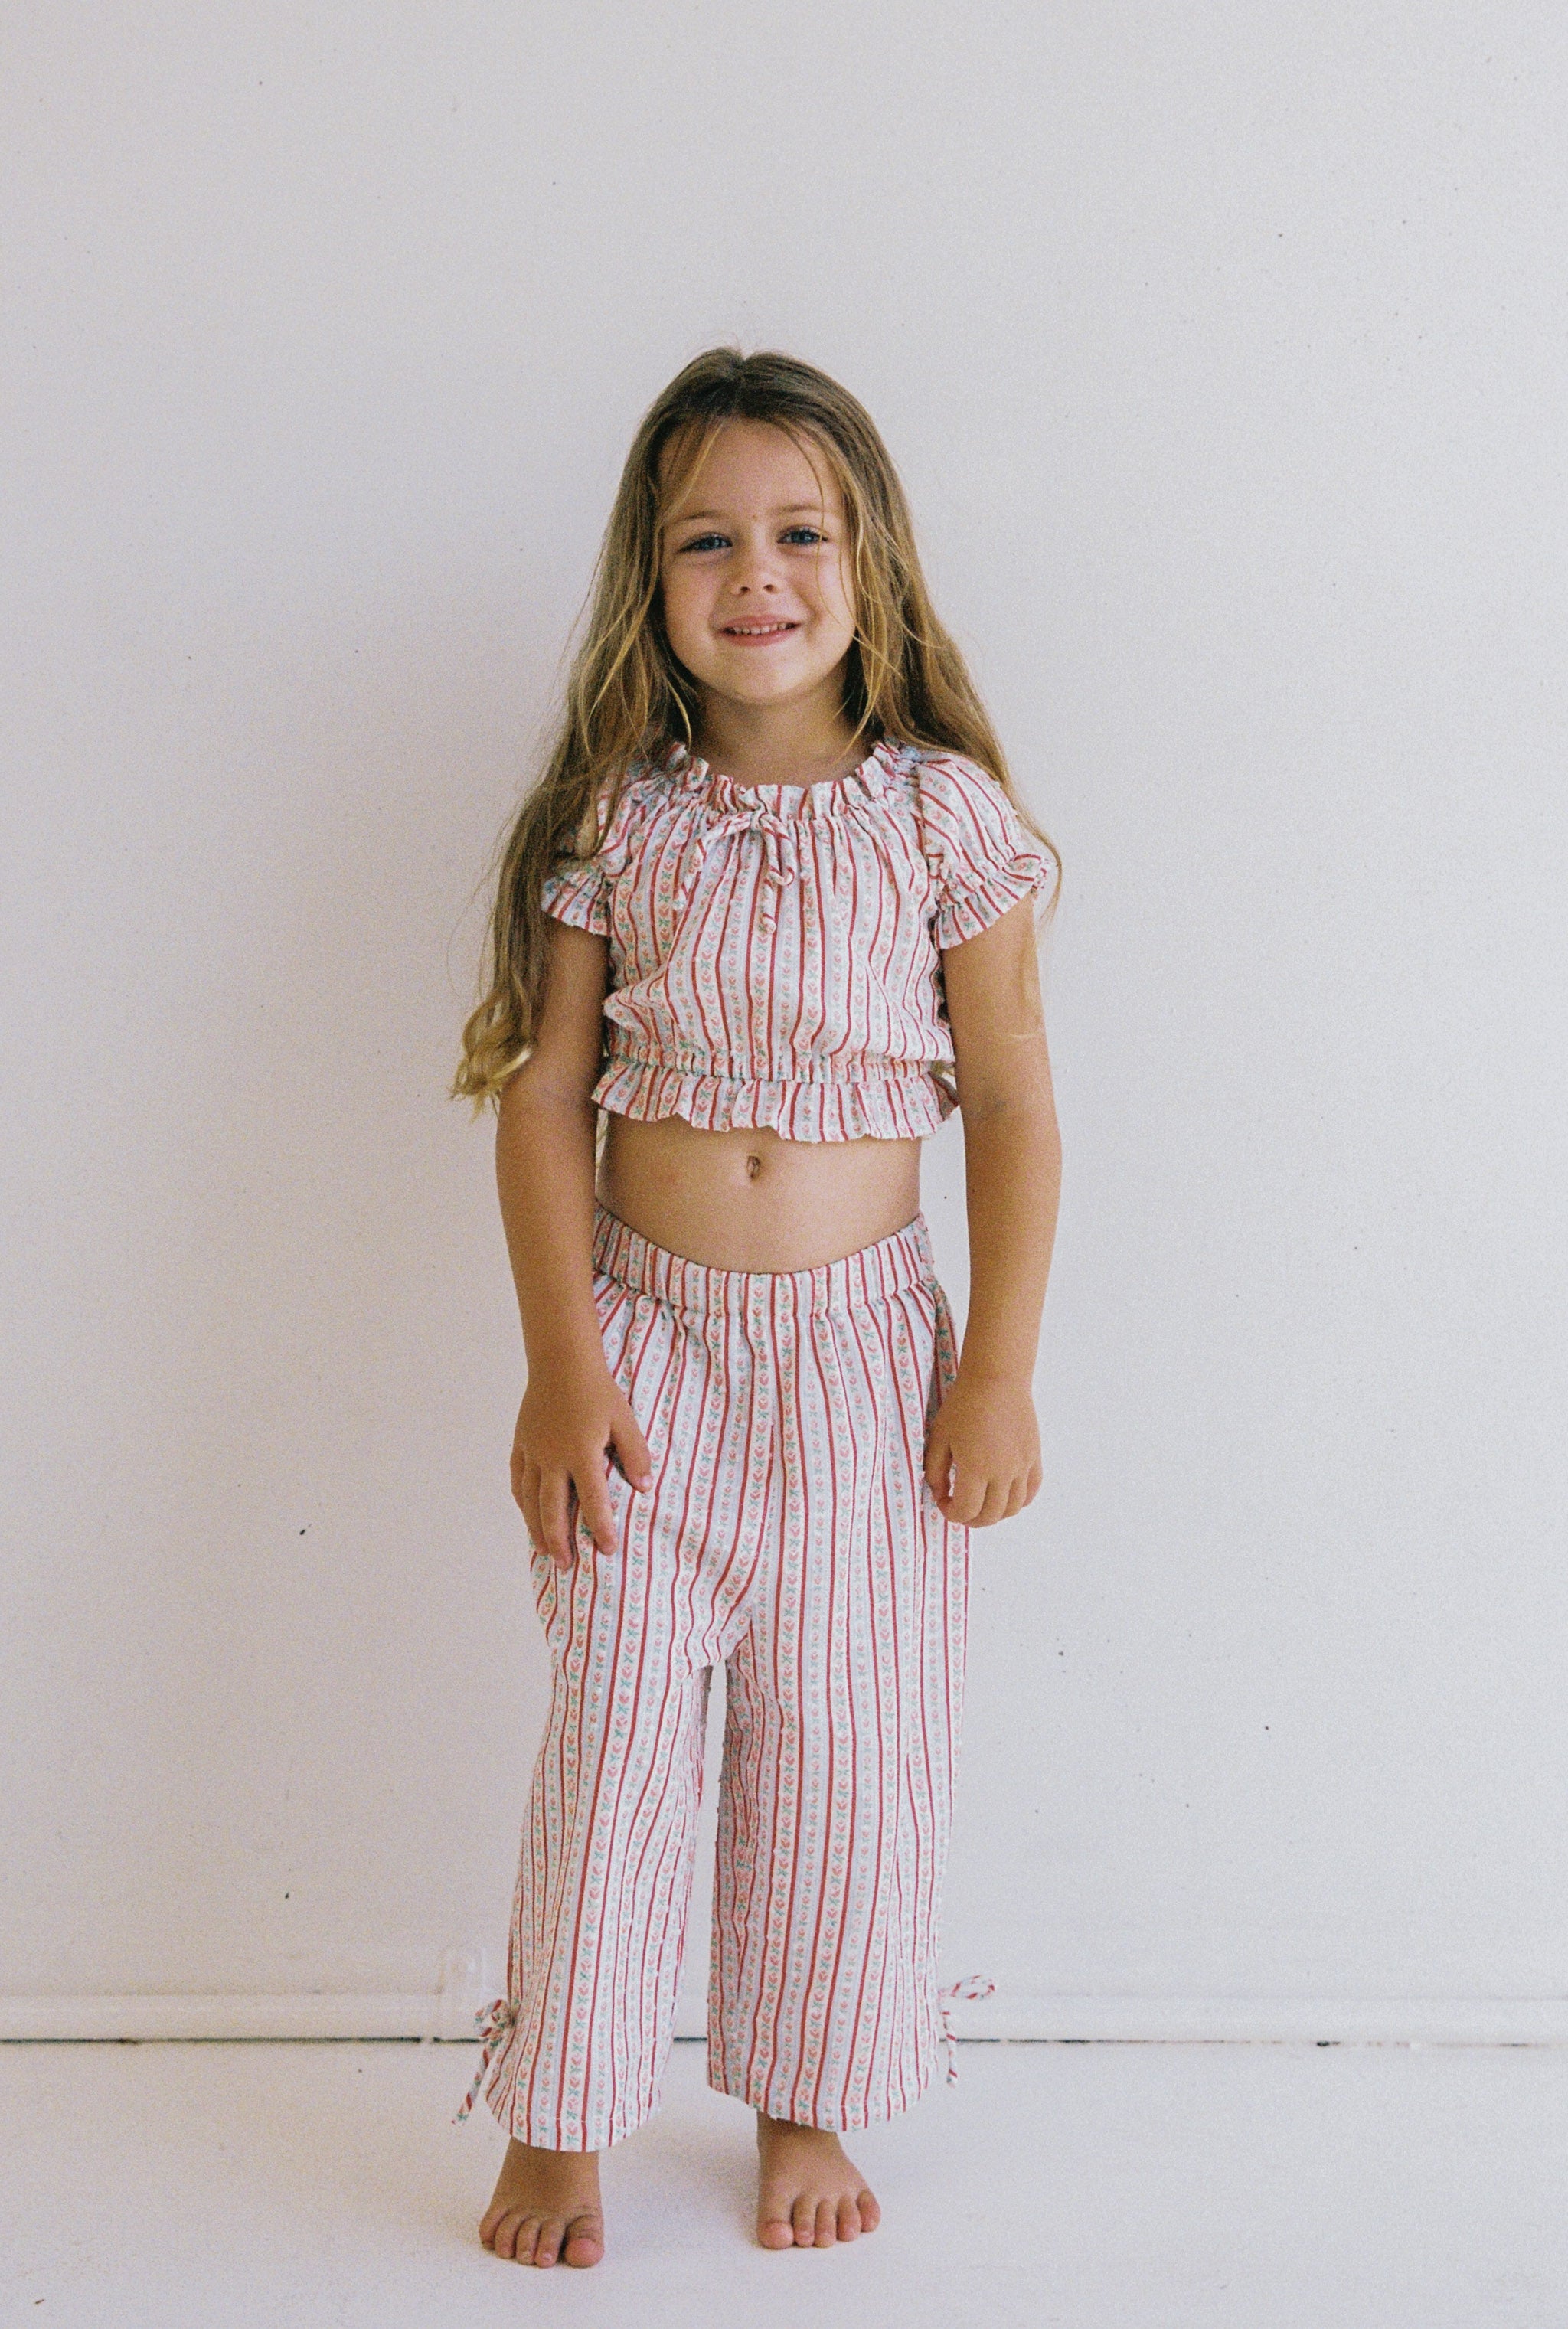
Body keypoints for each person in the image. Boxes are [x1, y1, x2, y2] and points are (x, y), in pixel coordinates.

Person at [450, 346, 1063, 2268]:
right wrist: (563, 1366)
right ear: (652, 577)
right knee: (618, 1735)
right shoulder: (617, 819)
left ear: (867, 559)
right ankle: (559, 2120)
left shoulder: (942, 821)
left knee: (843, 1747)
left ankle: (805, 2097)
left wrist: (997, 1373)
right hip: (649, 1355)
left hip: (870, 1372)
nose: (757, 573)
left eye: (798, 531)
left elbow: (1021, 1103)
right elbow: (545, 1098)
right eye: (706, 537)